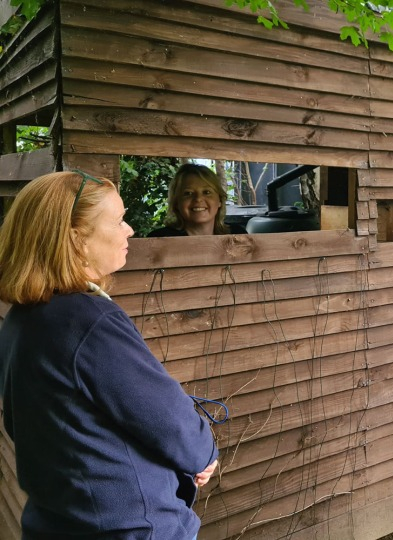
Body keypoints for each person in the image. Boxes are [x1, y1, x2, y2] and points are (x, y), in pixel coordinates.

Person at [0, 171, 219, 539]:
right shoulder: (89, 321)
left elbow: (20, 425)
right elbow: (167, 418)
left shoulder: (22, 318)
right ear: (75, 239)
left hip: (58, 521)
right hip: (129, 527)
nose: (130, 230)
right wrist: (204, 452)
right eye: (118, 220)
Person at [147, 163, 246, 237]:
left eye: (206, 192)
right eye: (188, 193)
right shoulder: (159, 239)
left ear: (220, 200)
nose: (198, 199)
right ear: (176, 202)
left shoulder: (238, 235)